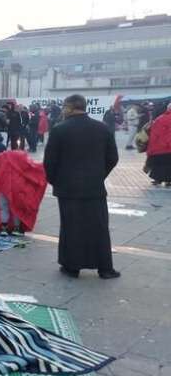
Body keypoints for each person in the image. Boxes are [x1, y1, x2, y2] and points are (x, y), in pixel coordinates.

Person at [44, 94, 119, 279]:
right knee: (99, 227)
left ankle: (72, 267)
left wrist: (57, 181)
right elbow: (113, 158)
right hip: (94, 187)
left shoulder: (59, 130)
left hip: (68, 189)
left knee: (71, 227)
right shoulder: (102, 128)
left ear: (69, 107)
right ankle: (105, 268)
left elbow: (49, 163)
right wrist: (98, 176)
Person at [145, 103, 171, 187]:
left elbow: (153, 134)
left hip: (158, 148)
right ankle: (169, 181)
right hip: (169, 148)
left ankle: (157, 179)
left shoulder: (159, 118)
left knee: (158, 164)